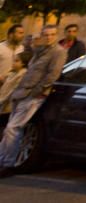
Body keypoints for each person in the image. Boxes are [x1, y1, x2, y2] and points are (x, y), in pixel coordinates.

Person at [0, 24, 67, 178]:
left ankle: (8, 164)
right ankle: (2, 160)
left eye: (52, 34)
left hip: (33, 95)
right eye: (46, 34)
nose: (49, 37)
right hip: (21, 93)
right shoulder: (40, 51)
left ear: (56, 35)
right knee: (10, 129)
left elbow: (52, 75)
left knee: (13, 128)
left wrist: (37, 92)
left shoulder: (58, 52)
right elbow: (28, 64)